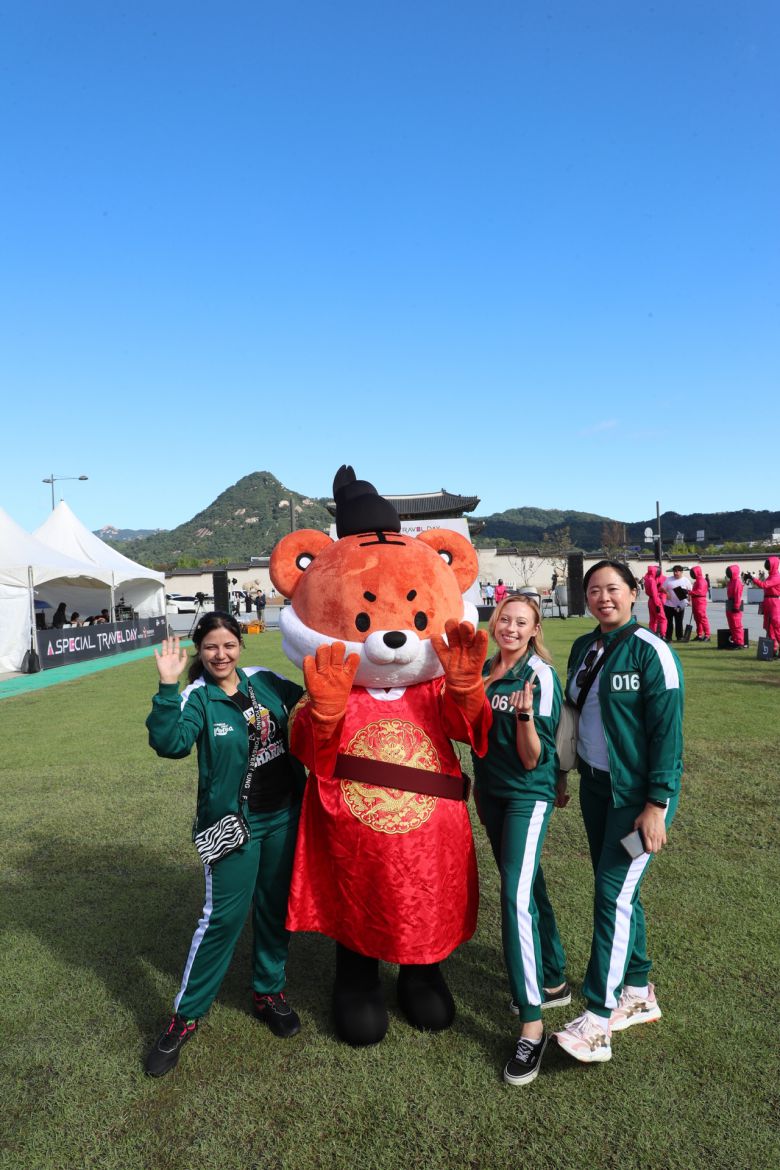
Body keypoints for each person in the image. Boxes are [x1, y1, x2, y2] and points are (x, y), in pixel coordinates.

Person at [144, 611, 306, 1077]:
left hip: (284, 817)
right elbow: (171, 742)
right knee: (222, 920)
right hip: (234, 827)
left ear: (241, 645)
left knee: (275, 909)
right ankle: (184, 1018)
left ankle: (268, 992)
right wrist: (167, 688)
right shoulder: (199, 697)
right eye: (211, 647)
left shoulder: (266, 681)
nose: (221, 654)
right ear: (200, 650)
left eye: (229, 645)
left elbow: (312, 705)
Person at [553, 561, 683, 1064]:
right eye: (594, 590)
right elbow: (571, 715)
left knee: (612, 893)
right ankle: (639, 989)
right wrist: (564, 772)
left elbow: (667, 736)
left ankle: (598, 1020)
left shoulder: (652, 652)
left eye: (613, 589)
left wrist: (655, 805)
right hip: (596, 791)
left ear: (634, 593)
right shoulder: (586, 647)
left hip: (638, 802)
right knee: (623, 892)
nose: (603, 597)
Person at [472, 594, 569, 1086]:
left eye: (521, 623)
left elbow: (534, 759)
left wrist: (525, 717)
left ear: (534, 630)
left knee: (513, 898)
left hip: (526, 796)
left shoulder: (540, 677)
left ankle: (531, 1021)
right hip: (488, 793)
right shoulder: (485, 668)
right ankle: (553, 976)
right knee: (527, 883)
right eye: (505, 619)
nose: (510, 627)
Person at [751, 557, 780, 657]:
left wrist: (753, 578)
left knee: (776, 626)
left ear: (773, 565)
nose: (767, 565)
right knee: (769, 627)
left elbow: (764, 585)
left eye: (768, 563)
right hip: (768, 601)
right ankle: (773, 649)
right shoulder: (770, 576)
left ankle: (776, 647)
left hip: (773, 602)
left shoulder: (776, 577)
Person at [661, 565, 692, 642]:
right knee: (669, 622)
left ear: (681, 572)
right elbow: (662, 588)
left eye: (677, 571)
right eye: (674, 571)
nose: (675, 573)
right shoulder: (668, 579)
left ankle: (679, 637)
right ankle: (668, 637)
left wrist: (690, 600)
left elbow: (690, 591)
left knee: (679, 621)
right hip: (669, 605)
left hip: (680, 605)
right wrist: (666, 593)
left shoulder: (685, 580)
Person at [643, 566, 667, 640]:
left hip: (650, 600)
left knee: (653, 619)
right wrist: (657, 604)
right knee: (663, 619)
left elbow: (648, 592)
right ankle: (663, 635)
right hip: (655, 600)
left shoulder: (647, 579)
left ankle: (652, 635)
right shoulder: (652, 580)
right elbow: (654, 593)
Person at [725, 564, 746, 649]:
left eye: (729, 571)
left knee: (737, 624)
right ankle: (735, 640)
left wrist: (736, 606)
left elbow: (738, 595)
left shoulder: (737, 581)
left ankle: (740, 642)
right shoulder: (731, 581)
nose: (728, 573)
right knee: (732, 624)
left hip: (735, 603)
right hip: (730, 602)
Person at [688, 566, 711, 641]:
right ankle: (699, 634)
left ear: (697, 572)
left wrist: (690, 592)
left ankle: (707, 635)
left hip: (700, 600)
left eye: (693, 573)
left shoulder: (701, 581)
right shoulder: (697, 581)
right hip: (696, 600)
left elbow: (700, 592)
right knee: (697, 618)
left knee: (702, 618)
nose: (692, 574)